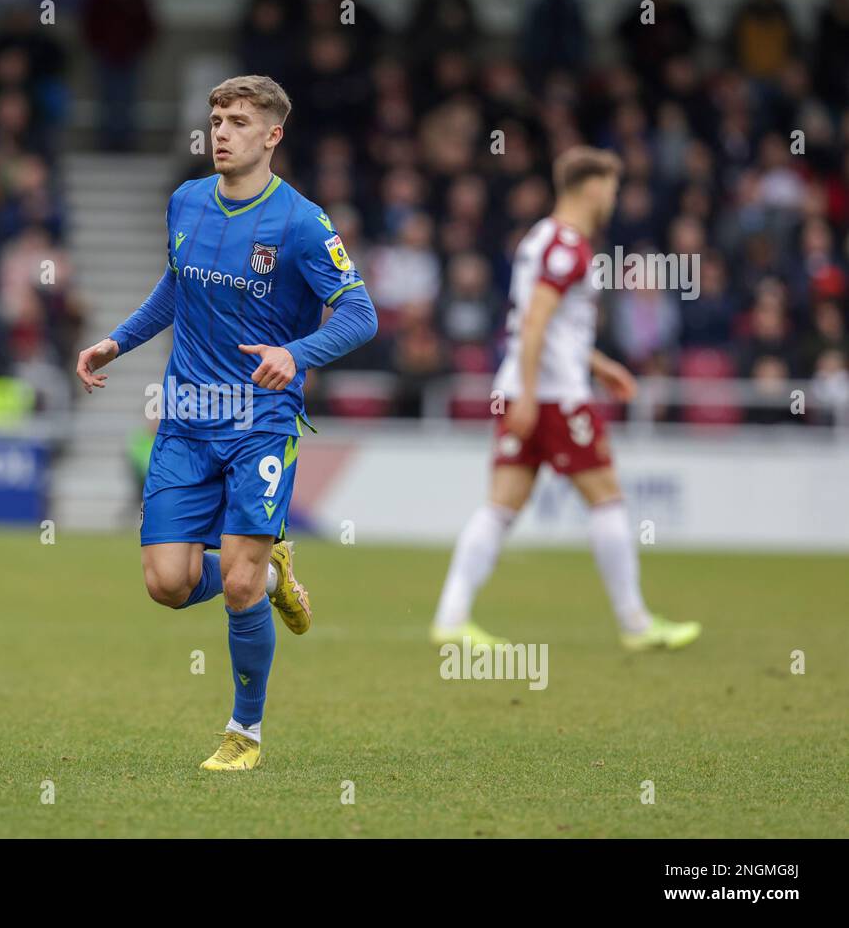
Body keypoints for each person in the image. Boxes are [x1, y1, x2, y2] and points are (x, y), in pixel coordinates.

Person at [75, 75, 378, 769]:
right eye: (216, 118)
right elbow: (174, 287)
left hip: (261, 422)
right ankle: (274, 577)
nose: (220, 132)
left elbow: (361, 314)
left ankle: (245, 733)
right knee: (167, 583)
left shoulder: (301, 222)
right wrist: (116, 341)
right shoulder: (184, 201)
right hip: (184, 420)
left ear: (272, 135)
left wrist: (294, 354)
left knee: (234, 583)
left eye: (238, 121)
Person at [431, 146, 701, 651]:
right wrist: (534, 395)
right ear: (594, 187)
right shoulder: (568, 246)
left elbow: (547, 326)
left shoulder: (541, 237)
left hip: (525, 387)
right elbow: (534, 323)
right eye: (613, 188)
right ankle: (636, 624)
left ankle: (450, 618)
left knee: (500, 506)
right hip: (553, 395)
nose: (614, 198)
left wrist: (599, 365)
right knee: (609, 499)